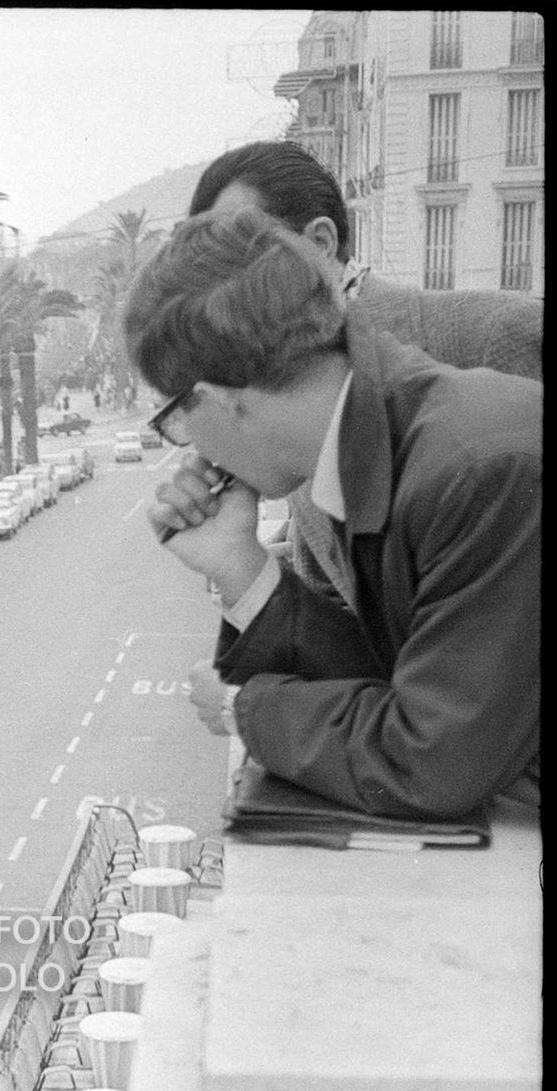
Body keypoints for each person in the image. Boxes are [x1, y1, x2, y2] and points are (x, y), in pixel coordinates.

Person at [124, 208, 539, 820]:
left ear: (215, 401)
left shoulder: (476, 471)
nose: (187, 449)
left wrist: (246, 711)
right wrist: (240, 566)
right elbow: (413, 686)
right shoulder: (388, 434)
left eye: (174, 420)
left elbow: (431, 760)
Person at [187, 141, 544, 610]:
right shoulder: (290, 394)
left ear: (320, 244)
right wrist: (245, 569)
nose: (225, 290)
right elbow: (345, 598)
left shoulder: (496, 333)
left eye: (244, 256)